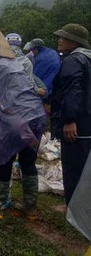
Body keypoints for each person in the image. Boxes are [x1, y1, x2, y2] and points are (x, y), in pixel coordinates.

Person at [0, 30, 47, 218]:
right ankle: (30, 206)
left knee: (2, 160)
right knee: (28, 162)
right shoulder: (16, 64)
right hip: (36, 115)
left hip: (15, 121)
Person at [51, 23, 91, 206]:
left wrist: (69, 120)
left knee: (74, 167)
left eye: (63, 37)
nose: (59, 40)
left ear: (74, 41)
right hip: (87, 122)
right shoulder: (88, 58)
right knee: (85, 167)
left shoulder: (73, 60)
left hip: (77, 125)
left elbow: (72, 90)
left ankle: (74, 210)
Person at [23, 38, 61, 108]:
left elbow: (34, 76)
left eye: (32, 50)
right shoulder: (52, 52)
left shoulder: (40, 59)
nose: (32, 53)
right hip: (57, 87)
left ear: (37, 48)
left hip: (47, 90)